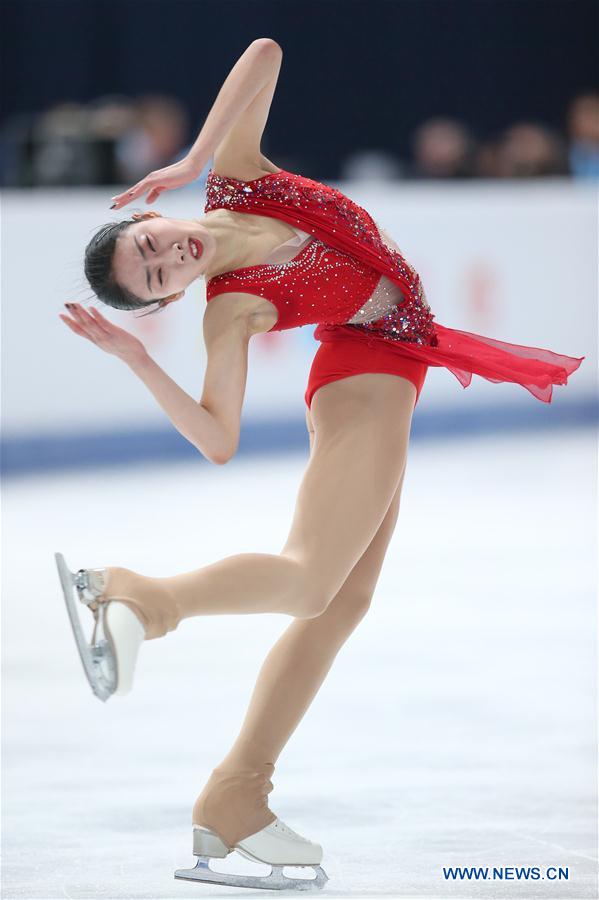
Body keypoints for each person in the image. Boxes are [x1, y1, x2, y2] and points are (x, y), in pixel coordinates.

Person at [56, 39, 584, 891]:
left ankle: (236, 793)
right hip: (365, 367)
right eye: (153, 278)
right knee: (310, 584)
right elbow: (218, 439)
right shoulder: (230, 312)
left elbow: (264, 52)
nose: (166, 259)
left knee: (341, 604)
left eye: (149, 244)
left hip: (390, 359)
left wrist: (189, 154)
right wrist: (137, 360)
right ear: (164, 301)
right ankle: (141, 597)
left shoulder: (233, 175)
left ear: (151, 213)